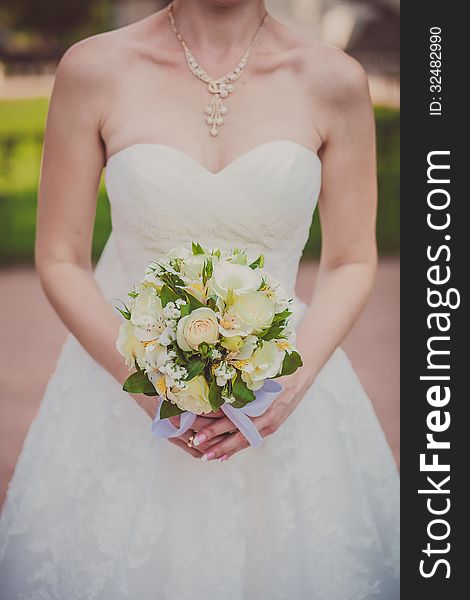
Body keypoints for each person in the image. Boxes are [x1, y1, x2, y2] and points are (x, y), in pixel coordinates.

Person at [0, 1, 399, 598]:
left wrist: (287, 387)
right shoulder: (93, 69)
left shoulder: (333, 80)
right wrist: (142, 378)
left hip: (285, 391)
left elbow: (351, 259)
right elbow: (60, 257)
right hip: (125, 395)